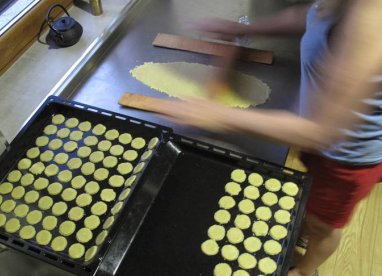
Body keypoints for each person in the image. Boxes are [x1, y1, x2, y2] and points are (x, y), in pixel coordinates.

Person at [156, 0, 382, 275]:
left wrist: (219, 115)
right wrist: (248, 28)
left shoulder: (373, 20)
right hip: (316, 137)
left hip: (347, 160)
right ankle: (306, 222)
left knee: (323, 226)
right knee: (310, 207)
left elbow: (322, 131)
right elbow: (310, 15)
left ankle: (305, 269)